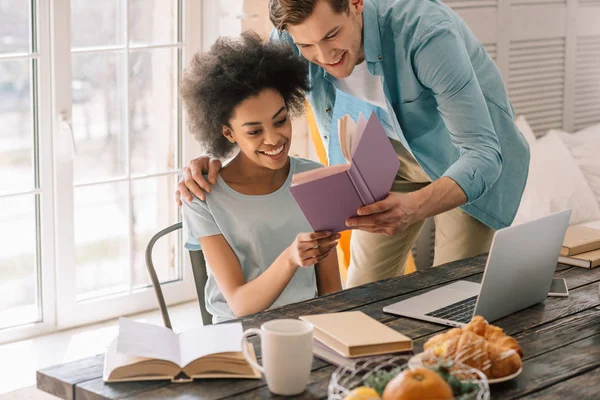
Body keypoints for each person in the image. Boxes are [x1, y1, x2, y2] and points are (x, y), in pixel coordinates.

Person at [177, 0, 530, 289]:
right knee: (363, 292)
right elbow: (243, 101)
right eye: (307, 46)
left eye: (332, 35)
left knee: (453, 291)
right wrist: (213, 155)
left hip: (464, 161)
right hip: (387, 157)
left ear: (356, 4)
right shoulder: (289, 39)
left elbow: (483, 154)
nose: (325, 55)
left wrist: (413, 206)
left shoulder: (425, 33)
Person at [179, 32, 342, 323]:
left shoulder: (316, 179)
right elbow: (240, 305)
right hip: (240, 333)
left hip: (310, 327)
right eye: (254, 131)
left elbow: (331, 293)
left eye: (280, 121)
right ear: (228, 133)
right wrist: (291, 258)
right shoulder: (203, 196)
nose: (274, 139)